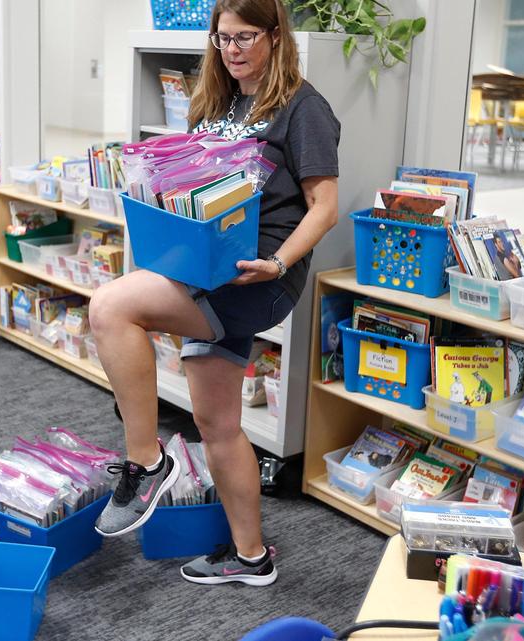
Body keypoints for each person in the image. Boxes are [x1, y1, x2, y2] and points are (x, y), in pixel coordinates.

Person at [88, 0, 339, 587]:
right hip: (207, 263)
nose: (233, 50)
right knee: (218, 421)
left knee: (110, 307)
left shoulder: (304, 108)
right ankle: (252, 558)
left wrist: (278, 262)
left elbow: (324, 208)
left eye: (246, 36)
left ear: (276, 37)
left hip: (257, 277)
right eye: (223, 38)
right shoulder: (219, 101)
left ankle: (146, 463)